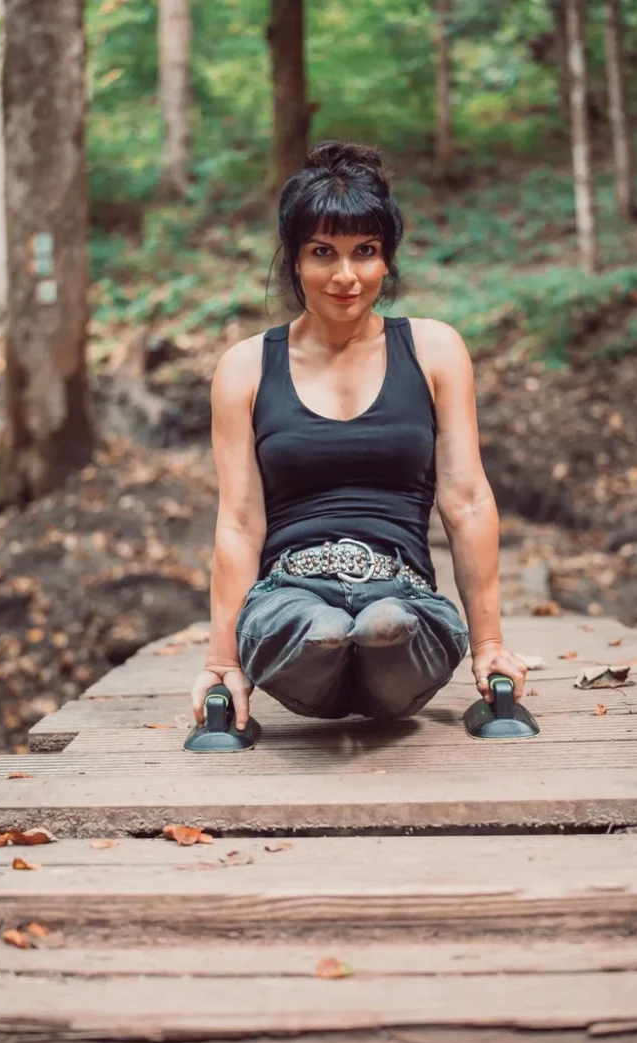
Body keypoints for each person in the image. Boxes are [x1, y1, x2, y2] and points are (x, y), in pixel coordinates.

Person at [191, 140, 527, 730]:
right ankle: (324, 640)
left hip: (402, 591)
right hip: (287, 595)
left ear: (386, 259)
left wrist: (489, 643)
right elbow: (240, 523)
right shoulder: (245, 368)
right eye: (324, 252)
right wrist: (222, 662)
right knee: (317, 628)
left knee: (385, 625)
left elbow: (468, 501)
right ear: (294, 260)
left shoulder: (435, 350)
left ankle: (382, 642)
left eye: (364, 252)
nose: (346, 276)